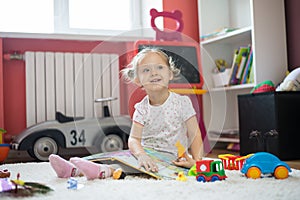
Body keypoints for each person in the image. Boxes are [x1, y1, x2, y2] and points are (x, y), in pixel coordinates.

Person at [49, 47, 203, 180]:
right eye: (146, 70)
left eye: (159, 67)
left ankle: (105, 171)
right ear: (138, 81)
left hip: (172, 157)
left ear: (170, 74)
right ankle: (74, 169)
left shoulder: (182, 103)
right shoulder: (141, 108)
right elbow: (134, 139)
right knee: (118, 156)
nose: (153, 73)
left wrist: (197, 162)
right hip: (145, 153)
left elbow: (195, 135)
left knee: (132, 166)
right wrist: (141, 155)